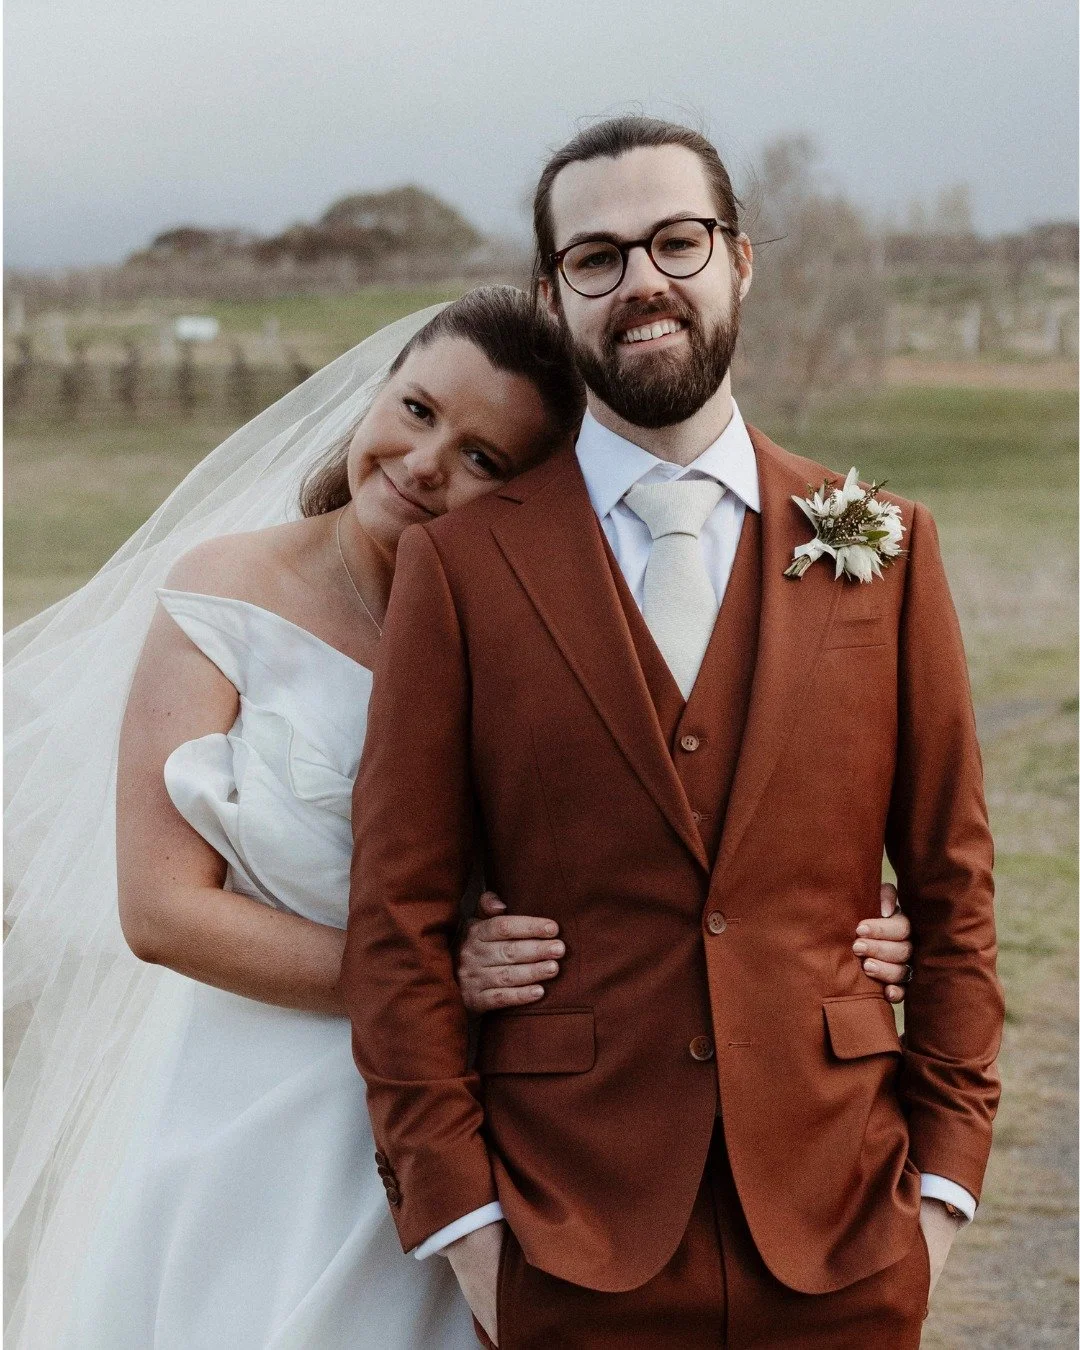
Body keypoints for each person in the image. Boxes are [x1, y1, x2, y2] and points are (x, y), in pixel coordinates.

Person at [4, 286, 909, 1347]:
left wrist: (852, 930)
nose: (428, 464)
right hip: (258, 1127)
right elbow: (160, 912)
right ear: (376, 394)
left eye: (485, 459)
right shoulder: (223, 594)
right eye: (419, 411)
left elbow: (673, 836)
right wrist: (422, 982)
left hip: (493, 1136)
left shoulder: (538, 634)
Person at [341, 118, 1004, 1349]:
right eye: (597, 256)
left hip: (847, 1231)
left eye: (677, 241)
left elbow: (956, 890)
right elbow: (399, 916)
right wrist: (467, 1232)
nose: (642, 279)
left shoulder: (886, 547)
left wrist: (946, 1192)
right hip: (566, 1239)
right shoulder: (464, 570)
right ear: (556, 296)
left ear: (740, 261)